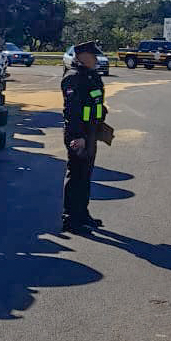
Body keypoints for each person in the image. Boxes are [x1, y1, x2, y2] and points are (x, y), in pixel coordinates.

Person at [61, 41, 107, 232]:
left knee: (86, 174)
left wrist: (101, 120)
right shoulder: (73, 78)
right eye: (93, 56)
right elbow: (73, 111)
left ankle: (82, 213)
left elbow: (96, 103)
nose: (96, 59)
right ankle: (70, 217)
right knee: (76, 174)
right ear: (82, 56)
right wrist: (78, 136)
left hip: (91, 132)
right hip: (78, 134)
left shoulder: (91, 76)